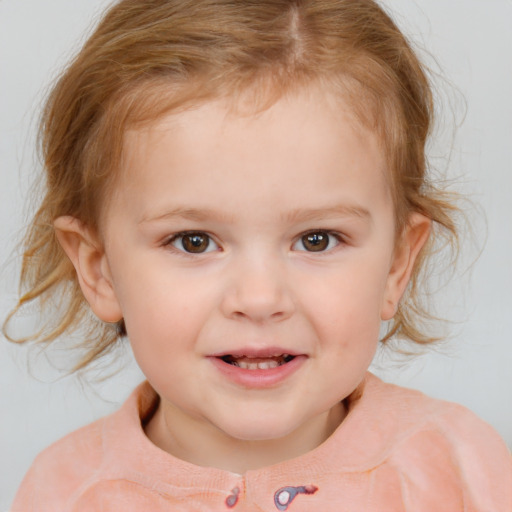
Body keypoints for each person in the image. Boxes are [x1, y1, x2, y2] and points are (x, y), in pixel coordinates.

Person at [6, 0, 511, 510]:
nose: (259, 298)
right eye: (194, 241)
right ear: (100, 270)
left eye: (317, 239)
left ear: (397, 263)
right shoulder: (61, 494)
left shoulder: (462, 469)